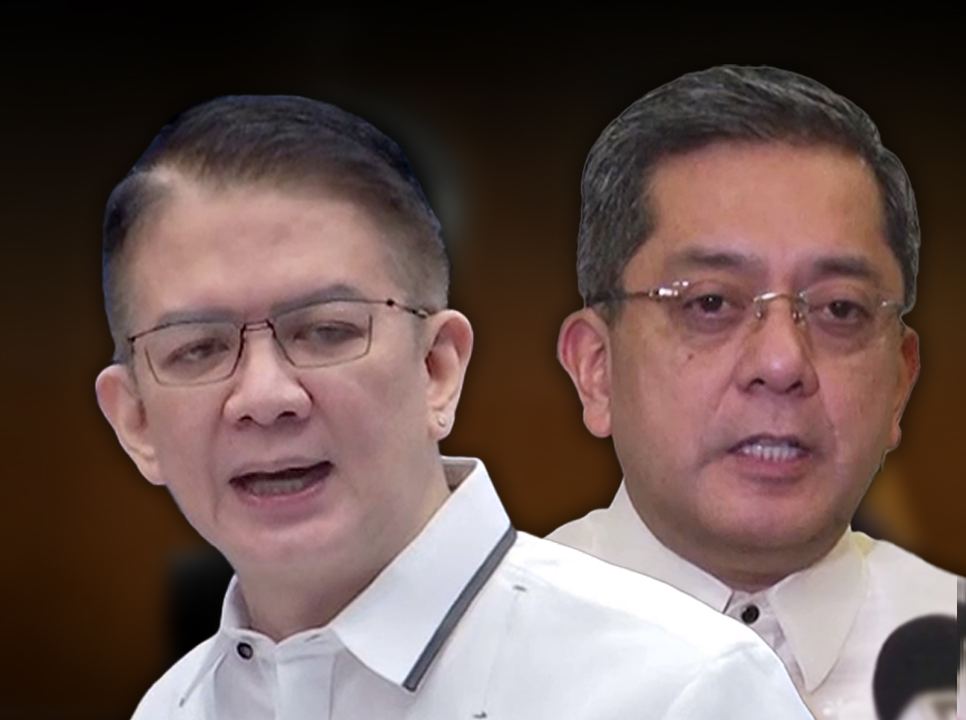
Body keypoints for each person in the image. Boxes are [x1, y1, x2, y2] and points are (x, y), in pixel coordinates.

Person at [94, 94, 812, 719]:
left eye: (326, 331)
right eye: (198, 348)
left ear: (437, 369)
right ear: (136, 422)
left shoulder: (683, 690)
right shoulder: (171, 708)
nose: (265, 397)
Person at [551, 65, 959, 719]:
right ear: (596, 368)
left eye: (841, 309)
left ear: (900, 382)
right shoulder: (463, 660)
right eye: (710, 302)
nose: (781, 362)